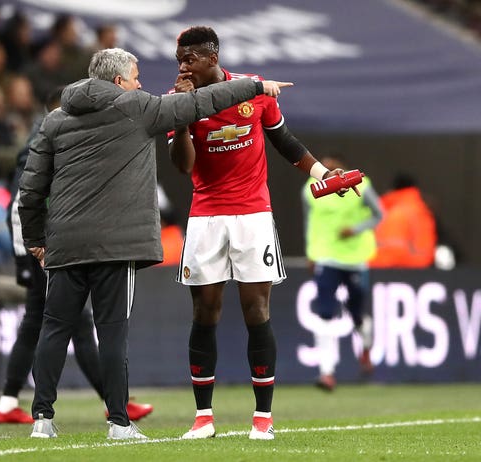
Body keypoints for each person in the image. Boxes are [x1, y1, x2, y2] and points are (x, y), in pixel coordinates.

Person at [18, 47, 293, 440]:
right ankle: (118, 423)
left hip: (64, 243)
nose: (139, 83)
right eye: (135, 76)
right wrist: (256, 86)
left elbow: (31, 187)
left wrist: (35, 239)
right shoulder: (138, 108)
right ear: (118, 82)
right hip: (114, 246)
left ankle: (42, 420)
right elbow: (206, 100)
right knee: (111, 332)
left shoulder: (55, 120)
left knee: (54, 328)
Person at [168, 26, 348, 441]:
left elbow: (284, 141)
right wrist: (183, 117)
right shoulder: (180, 100)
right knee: (204, 313)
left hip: (253, 215)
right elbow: (182, 165)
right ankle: (203, 418)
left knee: (257, 312)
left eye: (189, 58)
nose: (183, 66)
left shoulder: (254, 92)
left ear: (212, 57)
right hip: (206, 215)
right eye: (179, 59)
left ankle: (262, 419)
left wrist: (322, 174)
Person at [0, 87, 153, 424]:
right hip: (40, 242)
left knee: (38, 320)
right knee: (71, 324)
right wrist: (28, 246)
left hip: (44, 239)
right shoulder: (48, 132)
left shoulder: (52, 130)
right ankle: (114, 403)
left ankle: (9, 401)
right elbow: (25, 196)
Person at [302, 154, 383, 391]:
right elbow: (309, 221)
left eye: (332, 168)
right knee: (325, 312)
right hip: (326, 257)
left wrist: (356, 229)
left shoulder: (360, 184)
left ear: (343, 168)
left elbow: (379, 214)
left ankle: (366, 347)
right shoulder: (310, 189)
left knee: (357, 313)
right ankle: (326, 373)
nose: (328, 173)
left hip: (355, 258)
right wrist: (311, 253)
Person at [369, 173, 437, 268]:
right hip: (413, 271)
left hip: (378, 269)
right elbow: (424, 251)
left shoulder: (383, 209)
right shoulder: (420, 209)